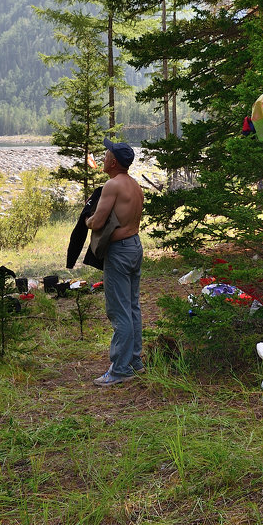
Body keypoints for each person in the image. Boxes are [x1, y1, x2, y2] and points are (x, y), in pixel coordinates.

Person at [85, 138, 144, 386]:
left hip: (119, 251)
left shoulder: (112, 185)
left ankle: (120, 369)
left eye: (108, 153)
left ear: (114, 161)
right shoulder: (135, 185)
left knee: (119, 310)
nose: (105, 155)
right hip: (134, 246)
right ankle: (134, 361)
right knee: (131, 306)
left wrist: (87, 220)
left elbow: (98, 222)